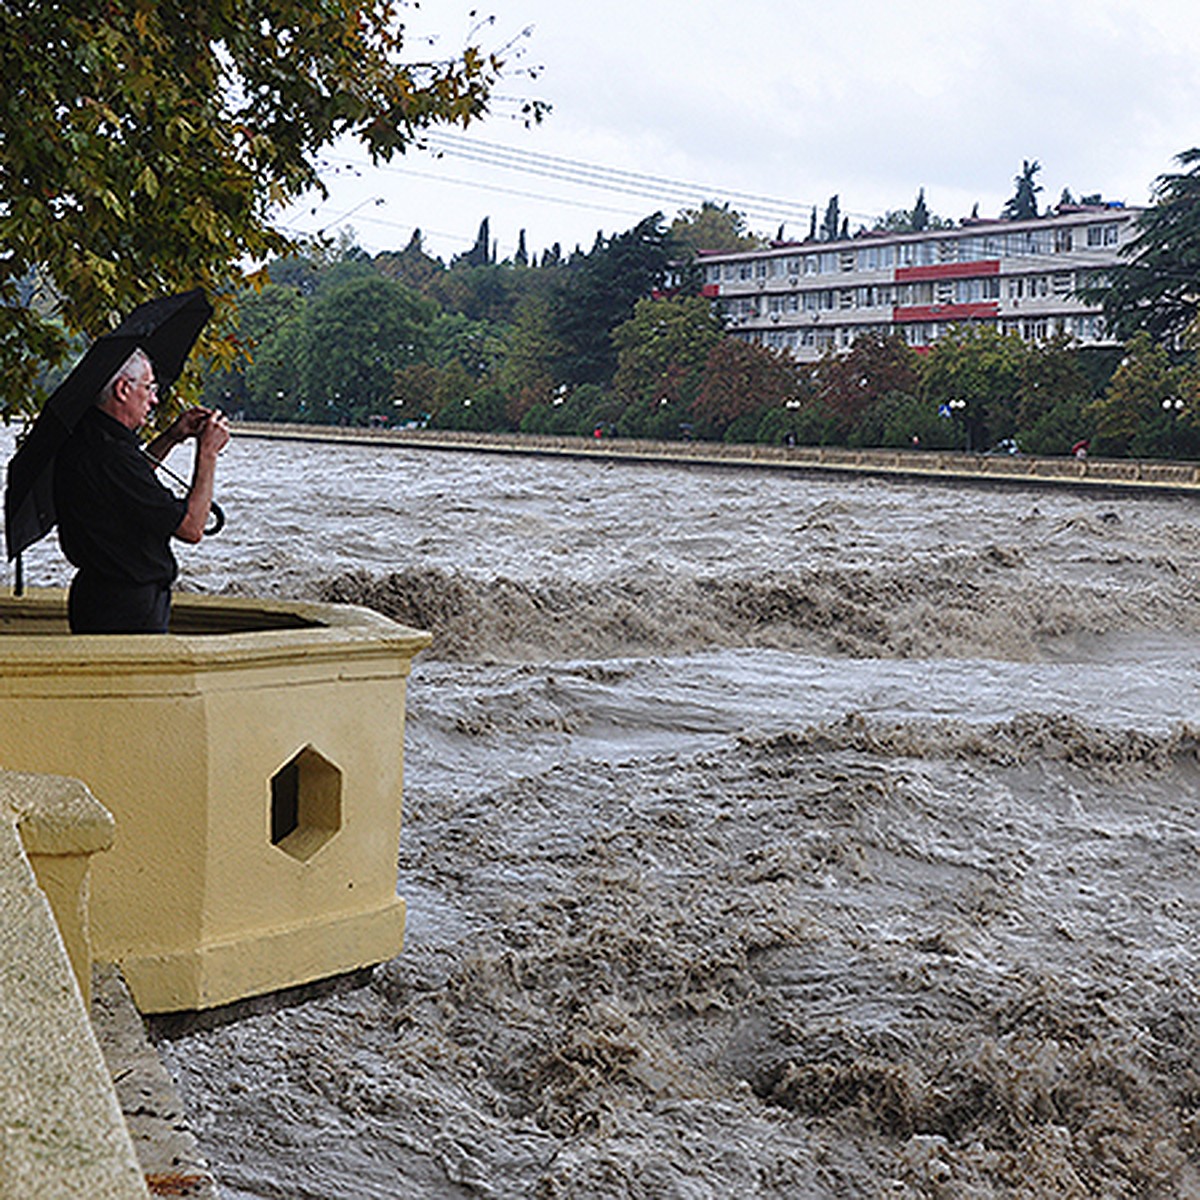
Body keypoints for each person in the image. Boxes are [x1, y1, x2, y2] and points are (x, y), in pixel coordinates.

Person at [53, 347, 230, 633]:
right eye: (149, 388)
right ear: (123, 389)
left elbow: (127, 488)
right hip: (128, 607)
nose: (154, 399)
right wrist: (207, 454)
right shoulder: (112, 453)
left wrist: (171, 437)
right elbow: (192, 527)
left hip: (97, 596)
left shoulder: (90, 438)